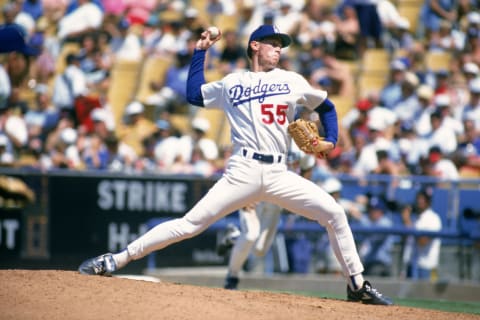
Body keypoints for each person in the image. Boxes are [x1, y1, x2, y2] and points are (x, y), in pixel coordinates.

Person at [78, 24, 393, 305]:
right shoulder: (232, 83)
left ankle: (357, 284)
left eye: (281, 45)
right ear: (255, 46)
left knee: (335, 214)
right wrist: (199, 53)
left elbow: (327, 107)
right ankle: (116, 260)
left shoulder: (291, 80)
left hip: (278, 172)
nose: (278, 49)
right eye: (272, 43)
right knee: (189, 225)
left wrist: (333, 139)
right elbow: (193, 95)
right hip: (242, 171)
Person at [219, 151, 316, 290]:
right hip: (255, 194)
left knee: (259, 250)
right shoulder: (270, 136)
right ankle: (232, 277)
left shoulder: (300, 148)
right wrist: (246, 193)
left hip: (275, 204)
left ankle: (234, 237)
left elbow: (307, 171)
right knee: (250, 235)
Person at [401, 188, 442, 281]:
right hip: (411, 263)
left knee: (427, 295)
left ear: (428, 201)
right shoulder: (415, 218)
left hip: (426, 266)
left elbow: (423, 241)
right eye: (419, 198)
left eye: (423, 199)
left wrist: (407, 221)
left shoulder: (433, 218)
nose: (420, 201)